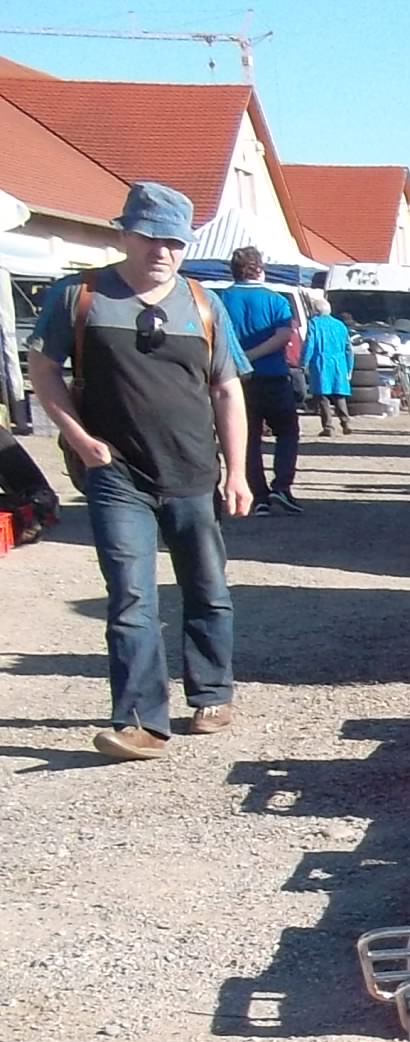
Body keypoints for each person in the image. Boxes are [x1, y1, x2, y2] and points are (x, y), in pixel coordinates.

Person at [27, 181, 253, 762]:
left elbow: (227, 388)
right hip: (115, 471)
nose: (162, 252)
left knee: (207, 587)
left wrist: (239, 471)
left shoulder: (203, 303)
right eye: (150, 238)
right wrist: (77, 437)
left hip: (193, 469)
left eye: (174, 242)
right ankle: (140, 722)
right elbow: (45, 369)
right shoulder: (78, 296)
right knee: (130, 595)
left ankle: (211, 693)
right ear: (124, 234)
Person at [215, 246, 302, 513]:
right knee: (287, 431)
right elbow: (283, 336)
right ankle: (282, 486)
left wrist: (239, 358)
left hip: (236, 380)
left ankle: (259, 496)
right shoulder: (276, 300)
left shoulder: (220, 299)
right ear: (260, 269)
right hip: (273, 375)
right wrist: (252, 354)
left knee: (248, 437)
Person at [303, 300, 354, 437]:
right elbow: (349, 348)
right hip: (339, 363)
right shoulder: (340, 325)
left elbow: (310, 344)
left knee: (322, 396)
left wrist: (303, 362)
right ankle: (345, 422)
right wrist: (349, 367)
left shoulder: (314, 323)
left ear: (315, 310)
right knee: (339, 394)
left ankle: (328, 426)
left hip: (321, 362)